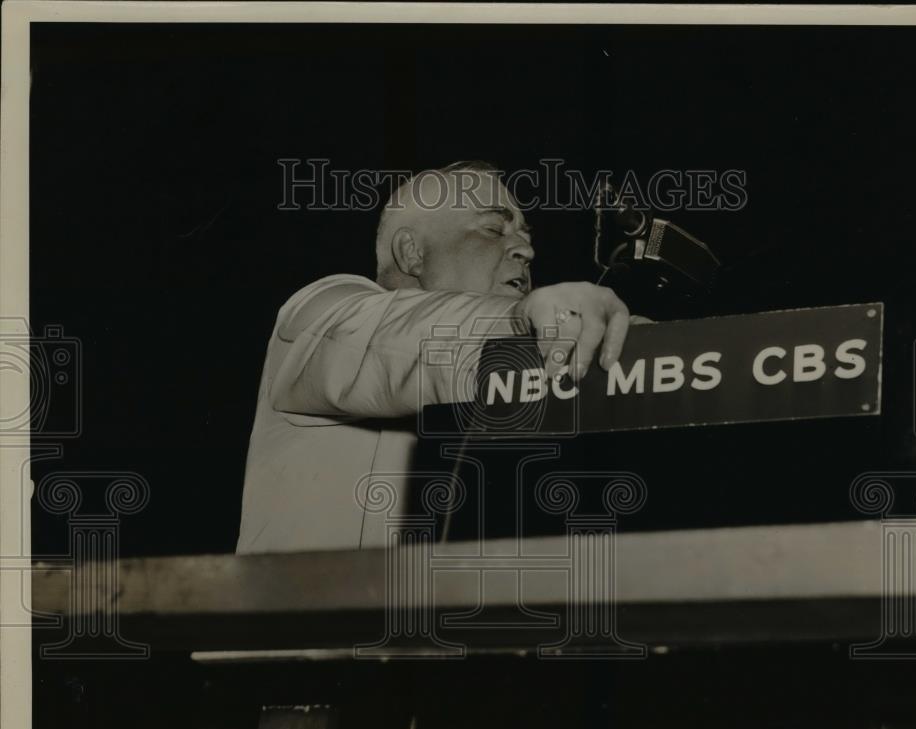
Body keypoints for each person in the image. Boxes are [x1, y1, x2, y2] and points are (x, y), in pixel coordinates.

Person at [237, 161, 634, 553]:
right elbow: (389, 340)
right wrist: (516, 320)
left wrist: (644, 344)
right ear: (412, 252)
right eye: (493, 229)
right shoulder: (321, 311)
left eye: (525, 236)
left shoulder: (514, 379)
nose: (526, 250)